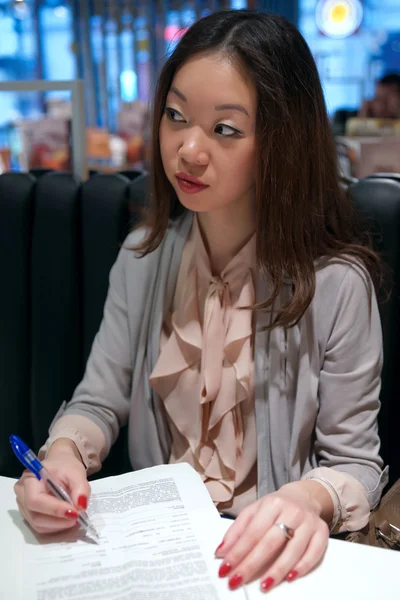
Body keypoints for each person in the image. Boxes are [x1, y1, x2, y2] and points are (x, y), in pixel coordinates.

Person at [14, 9, 388, 594]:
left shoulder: (336, 283)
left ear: (281, 142)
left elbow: (358, 467)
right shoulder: (143, 256)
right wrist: (62, 455)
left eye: (226, 129)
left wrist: (309, 498)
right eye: (176, 116)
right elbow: (99, 401)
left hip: (271, 565)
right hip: (157, 557)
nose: (188, 149)